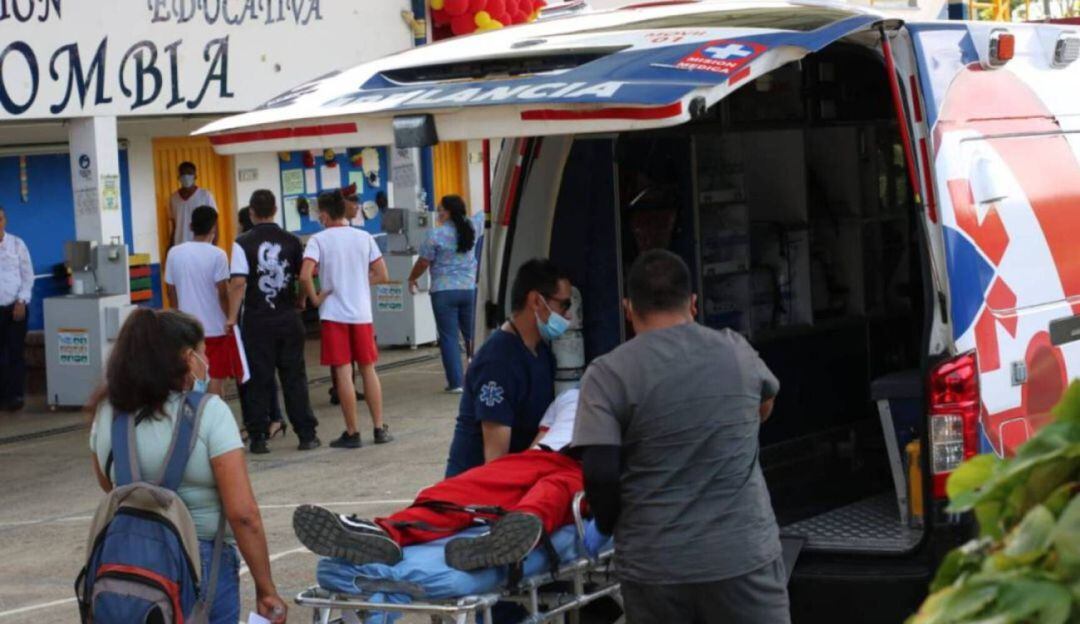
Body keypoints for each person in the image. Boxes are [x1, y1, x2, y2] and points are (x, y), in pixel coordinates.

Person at [571, 249, 789, 624]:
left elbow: (600, 473)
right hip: (742, 556)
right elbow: (764, 404)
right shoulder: (735, 351)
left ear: (628, 308)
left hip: (655, 566)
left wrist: (605, 525)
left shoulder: (607, 375)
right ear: (693, 303)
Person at [88, 309, 287, 623]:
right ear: (186, 357)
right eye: (203, 353)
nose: (206, 363)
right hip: (203, 560)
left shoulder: (107, 413)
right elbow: (243, 514)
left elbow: (109, 486)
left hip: (128, 561)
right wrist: (266, 589)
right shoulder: (211, 413)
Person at [292, 389, 584, 570]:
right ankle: (384, 532)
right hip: (543, 456)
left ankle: (511, 535)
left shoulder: (620, 397)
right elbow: (539, 442)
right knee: (460, 489)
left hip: (590, 464)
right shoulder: (569, 397)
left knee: (554, 491)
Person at [444, 258, 571, 478]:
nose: (568, 315)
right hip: (478, 489)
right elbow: (495, 460)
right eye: (564, 305)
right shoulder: (498, 363)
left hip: (517, 476)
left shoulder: (542, 353)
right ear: (536, 301)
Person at [227, 190, 320, 454]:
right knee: (294, 377)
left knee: (257, 379)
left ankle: (258, 436)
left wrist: (232, 317)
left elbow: (237, 283)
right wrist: (301, 300)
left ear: (252, 212)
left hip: (257, 321)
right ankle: (306, 433)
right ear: (276, 209)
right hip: (288, 318)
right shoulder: (292, 241)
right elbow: (305, 276)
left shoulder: (241, 243)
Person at [301, 191, 392, 449]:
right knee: (368, 368)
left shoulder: (318, 240)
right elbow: (382, 274)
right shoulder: (364, 237)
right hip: (361, 313)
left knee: (343, 371)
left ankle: (352, 432)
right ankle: (379, 428)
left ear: (325, 215)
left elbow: (305, 275)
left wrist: (315, 299)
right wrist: (359, 282)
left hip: (333, 314)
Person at [407, 195, 485, 393]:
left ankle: (456, 383)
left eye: (441, 209)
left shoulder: (435, 235)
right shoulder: (473, 228)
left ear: (449, 212)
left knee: (449, 337)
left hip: (443, 292)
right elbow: (485, 213)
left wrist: (412, 278)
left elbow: (423, 262)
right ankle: (481, 377)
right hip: (469, 289)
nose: (438, 213)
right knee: (472, 336)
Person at [165, 206, 243, 397]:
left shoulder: (174, 253)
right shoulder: (218, 254)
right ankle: (214, 421)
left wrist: (179, 317)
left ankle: (194, 421)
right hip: (215, 329)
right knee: (215, 379)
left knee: (191, 378)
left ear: (191, 226)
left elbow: (170, 289)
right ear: (214, 228)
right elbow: (223, 293)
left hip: (187, 329)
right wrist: (231, 319)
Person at [236, 206, 286, 435]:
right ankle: (263, 419)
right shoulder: (252, 246)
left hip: (254, 317)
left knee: (257, 371)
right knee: (258, 371)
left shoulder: (242, 246)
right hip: (271, 315)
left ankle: (269, 418)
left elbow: (237, 284)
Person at [0, 206, 32, 412]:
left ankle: (16, 396)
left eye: (0, 218)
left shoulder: (17, 244)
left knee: (15, 352)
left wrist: (22, 301)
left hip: (15, 308)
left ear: (5, 220)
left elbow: (28, 275)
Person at [169, 162, 218, 248]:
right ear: (178, 177)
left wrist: (214, 245)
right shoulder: (173, 198)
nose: (186, 176)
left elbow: (215, 223)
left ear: (195, 176)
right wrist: (170, 246)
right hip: (180, 246)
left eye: (189, 173)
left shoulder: (206, 196)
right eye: (183, 174)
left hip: (202, 246)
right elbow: (175, 225)